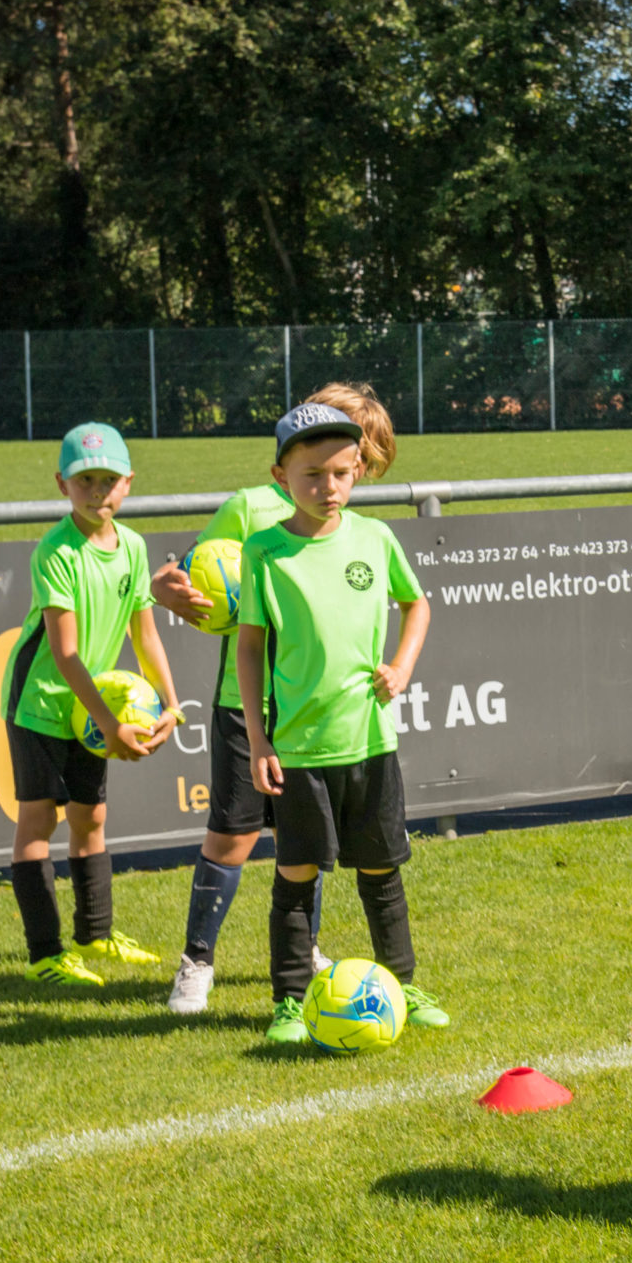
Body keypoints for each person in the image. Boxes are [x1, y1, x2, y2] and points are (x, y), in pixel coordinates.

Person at [151, 383, 399, 1014]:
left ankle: (303, 951)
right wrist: (164, 588)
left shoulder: (354, 525)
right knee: (232, 836)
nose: (344, 469)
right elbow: (187, 571)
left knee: (304, 845)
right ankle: (196, 962)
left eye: (354, 460)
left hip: (318, 717)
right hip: (246, 707)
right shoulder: (250, 508)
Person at [235, 400, 449, 1045]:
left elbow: (417, 605)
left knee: (382, 872)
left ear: (357, 471)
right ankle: (289, 1002)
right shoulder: (264, 551)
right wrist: (257, 738)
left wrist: (401, 667)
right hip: (300, 750)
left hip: (370, 741)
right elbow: (250, 646)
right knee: (297, 875)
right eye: (311, 475)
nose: (328, 487)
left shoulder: (374, 538)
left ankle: (402, 985)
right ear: (281, 477)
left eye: (341, 473)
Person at [3, 421, 180, 987]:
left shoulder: (134, 547)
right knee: (39, 819)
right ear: (62, 485)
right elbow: (65, 653)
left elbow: (145, 634)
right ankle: (45, 955)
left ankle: (95, 935)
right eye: (85, 481)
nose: (97, 491)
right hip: (41, 702)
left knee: (91, 816)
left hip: (90, 707)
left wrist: (172, 704)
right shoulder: (56, 551)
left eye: (108, 480)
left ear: (128, 483)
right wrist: (109, 724)